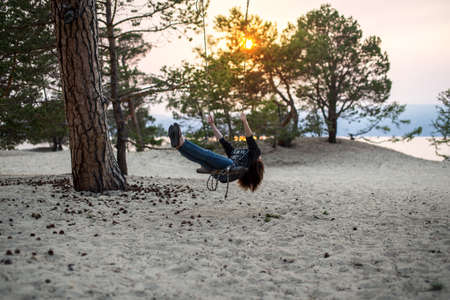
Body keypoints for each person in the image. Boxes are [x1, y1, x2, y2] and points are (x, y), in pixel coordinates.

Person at [168, 112, 264, 192]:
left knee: (207, 155)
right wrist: (212, 124)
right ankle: (179, 146)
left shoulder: (254, 154)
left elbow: (250, 138)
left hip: (229, 168)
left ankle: (183, 141)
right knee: (200, 159)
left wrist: (245, 121)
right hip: (221, 174)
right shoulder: (235, 152)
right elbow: (221, 139)